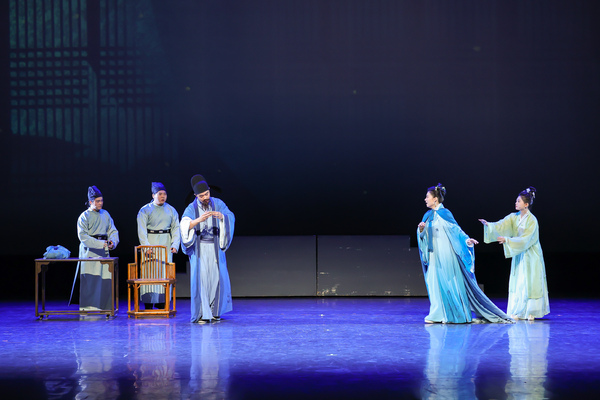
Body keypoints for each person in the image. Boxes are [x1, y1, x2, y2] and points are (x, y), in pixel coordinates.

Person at [417, 183, 512, 324]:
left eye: (427, 197)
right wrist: (421, 230)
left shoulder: (445, 214)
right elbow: (423, 236)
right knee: (434, 282)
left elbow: (457, 231)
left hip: (446, 254)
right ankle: (437, 314)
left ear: (435, 199)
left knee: (449, 283)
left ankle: (453, 314)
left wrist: (467, 240)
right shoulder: (427, 216)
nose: (425, 199)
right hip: (433, 255)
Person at [479, 186, 549, 320]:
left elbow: (526, 239)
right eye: (516, 201)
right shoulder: (514, 217)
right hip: (519, 253)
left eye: (518, 201)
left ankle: (531, 311)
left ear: (526, 204)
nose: (516, 203)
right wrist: (489, 225)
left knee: (530, 281)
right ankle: (518, 310)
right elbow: (501, 225)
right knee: (519, 281)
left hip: (531, 254)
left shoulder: (532, 220)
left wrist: (508, 240)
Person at [180, 175, 235, 323]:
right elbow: (184, 225)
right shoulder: (191, 208)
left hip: (215, 248)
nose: (205, 198)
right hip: (200, 249)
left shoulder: (218, 203)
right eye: (201, 196)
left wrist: (222, 217)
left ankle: (215, 312)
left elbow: (230, 216)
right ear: (195, 195)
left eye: (207, 194)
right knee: (202, 280)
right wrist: (198, 220)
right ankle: (201, 314)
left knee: (216, 279)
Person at [71, 186, 119, 311]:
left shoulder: (105, 214)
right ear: (91, 202)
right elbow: (83, 236)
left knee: (105, 280)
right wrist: (101, 244)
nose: (100, 203)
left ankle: (105, 307)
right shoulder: (84, 216)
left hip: (103, 251)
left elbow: (113, 230)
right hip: (90, 251)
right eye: (98, 201)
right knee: (91, 280)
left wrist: (112, 242)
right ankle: (89, 308)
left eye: (101, 200)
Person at [136, 182, 181, 310]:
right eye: (160, 194)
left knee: (164, 272)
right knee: (149, 272)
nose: (163, 196)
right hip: (151, 242)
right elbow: (141, 230)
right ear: (153, 195)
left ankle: (163, 302)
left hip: (166, 242)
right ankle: (149, 302)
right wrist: (146, 246)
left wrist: (175, 244)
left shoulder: (171, 210)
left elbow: (176, 228)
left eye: (164, 194)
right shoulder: (145, 210)